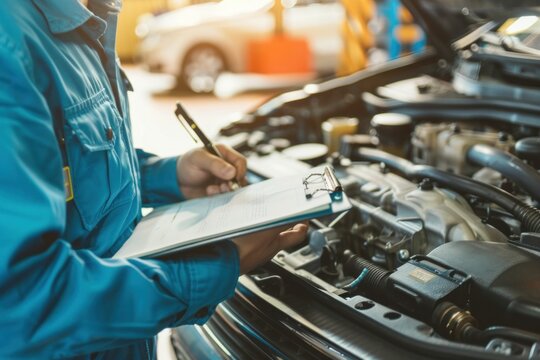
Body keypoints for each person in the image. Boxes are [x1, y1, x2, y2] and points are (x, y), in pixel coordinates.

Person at [0, 1, 307, 358]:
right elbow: (25, 306)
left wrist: (169, 175)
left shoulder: (91, 14)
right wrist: (213, 267)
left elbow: (65, 170)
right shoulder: (11, 47)